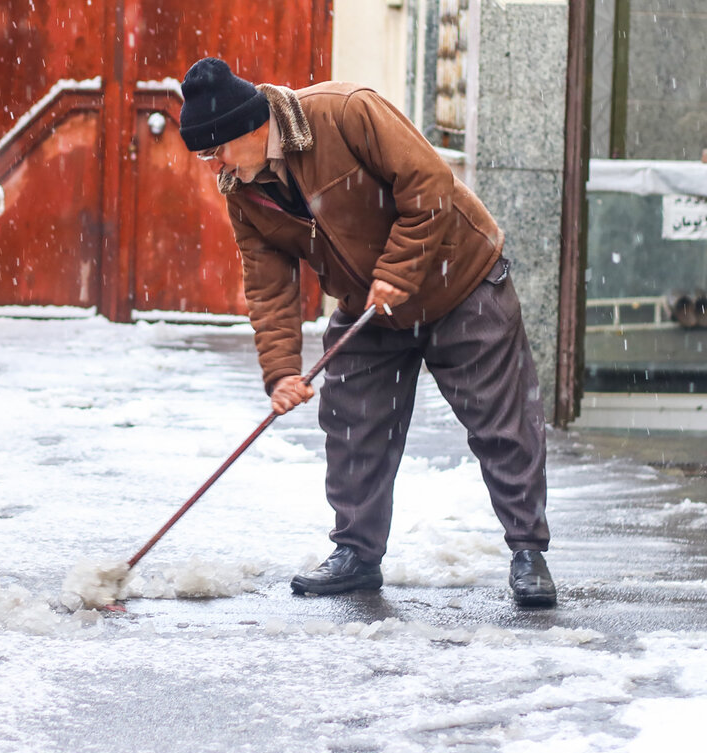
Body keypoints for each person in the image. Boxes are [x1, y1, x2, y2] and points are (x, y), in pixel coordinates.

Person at [177, 57, 556, 608]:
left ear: (253, 127)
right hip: (370, 308)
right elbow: (268, 284)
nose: (215, 165)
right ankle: (357, 554)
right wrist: (282, 370)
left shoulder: (344, 112)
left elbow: (431, 186)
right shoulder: (243, 188)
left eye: (217, 149)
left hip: (461, 280)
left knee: (502, 424)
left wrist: (397, 274)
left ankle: (528, 553)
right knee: (353, 424)